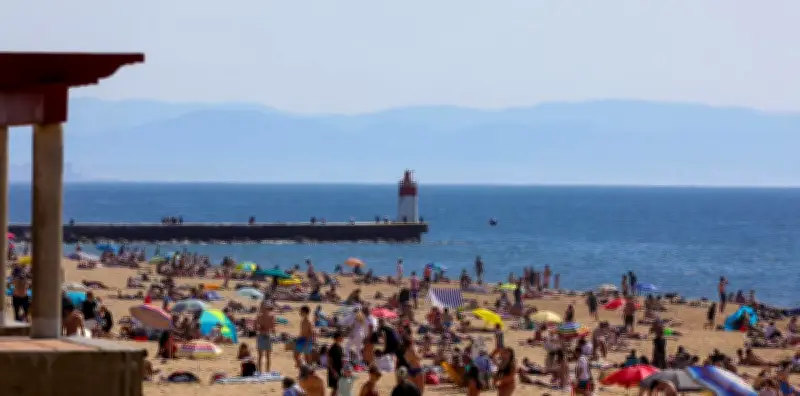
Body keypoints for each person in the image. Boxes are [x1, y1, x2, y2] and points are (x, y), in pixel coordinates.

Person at [256, 303, 277, 372]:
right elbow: (255, 327)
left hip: (266, 336)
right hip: (263, 336)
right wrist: (260, 328)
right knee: (261, 356)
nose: (262, 309)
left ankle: (266, 371)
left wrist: (262, 328)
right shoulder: (260, 316)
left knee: (266, 356)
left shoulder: (271, 316)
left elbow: (273, 328)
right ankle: (260, 371)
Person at [328, 332, 345, 396]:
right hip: (334, 371)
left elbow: (340, 359)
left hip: (339, 370)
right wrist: (334, 372)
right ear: (337, 338)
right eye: (341, 337)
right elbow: (329, 362)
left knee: (337, 388)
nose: (342, 338)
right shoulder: (332, 348)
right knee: (335, 388)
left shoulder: (340, 347)